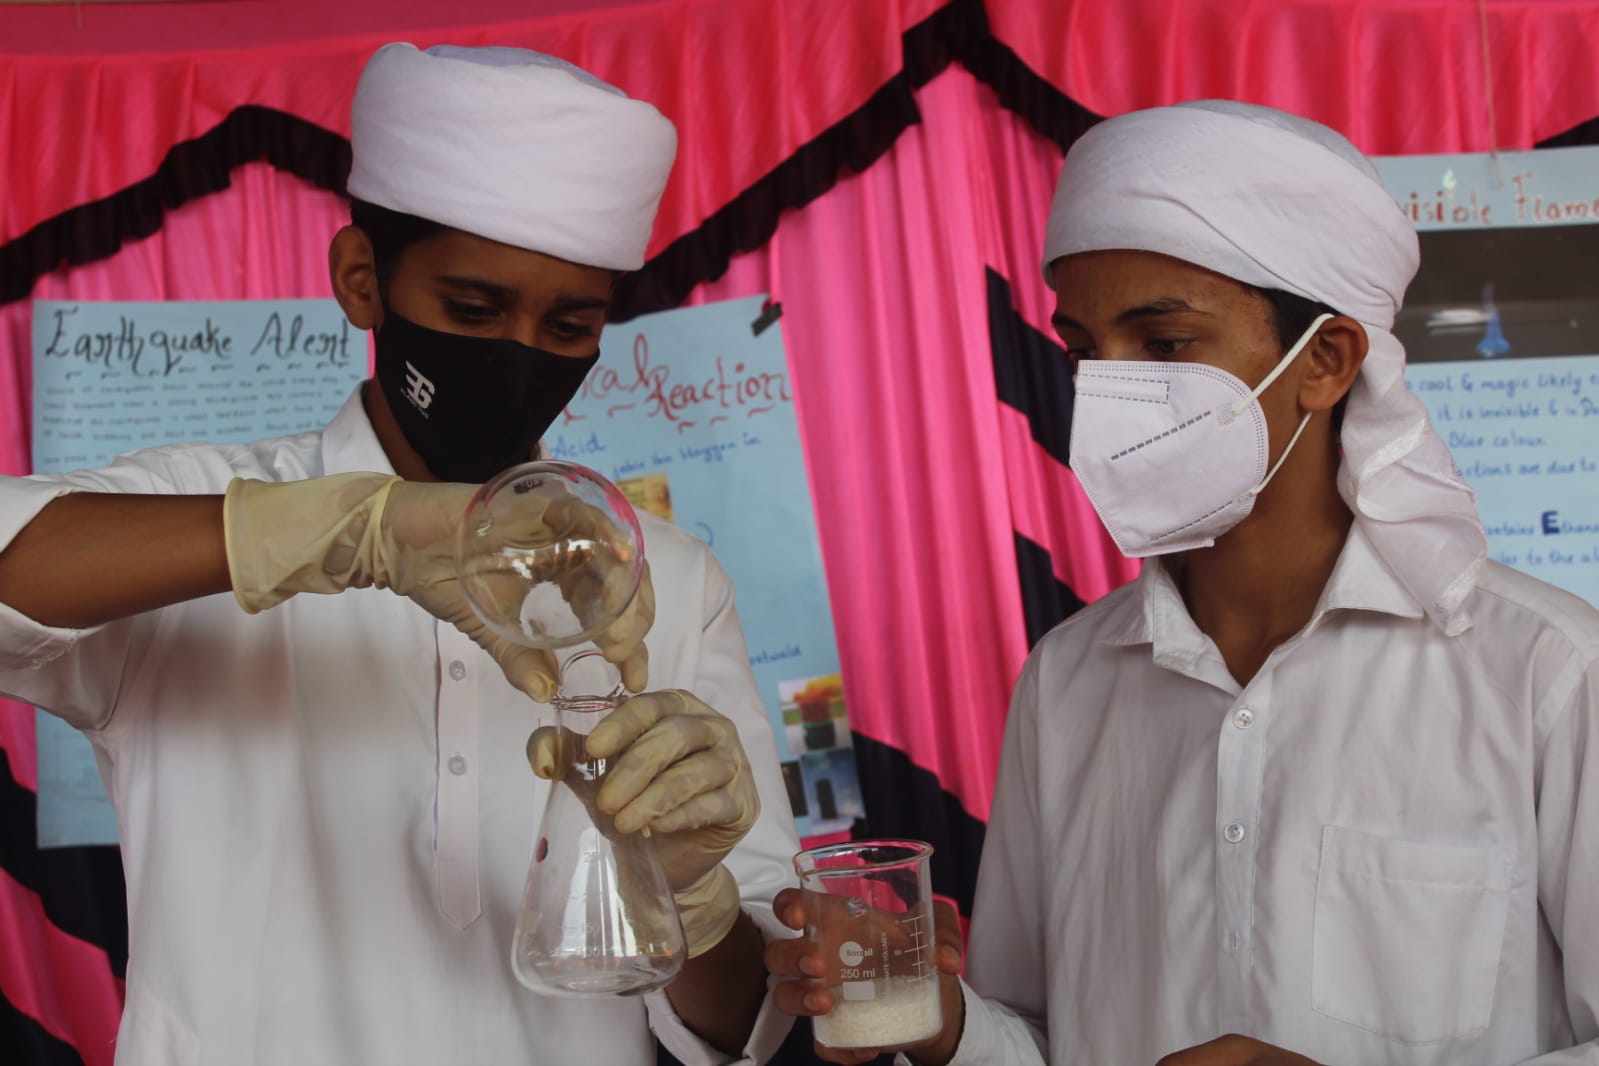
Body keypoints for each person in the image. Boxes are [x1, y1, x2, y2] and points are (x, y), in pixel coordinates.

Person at [0, 43, 801, 1064]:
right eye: (472, 310)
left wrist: (687, 893)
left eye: (569, 324)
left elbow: (742, 1020)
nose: (517, 356)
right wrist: (351, 532)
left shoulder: (663, 584)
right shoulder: (196, 520)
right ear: (360, 280)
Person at [767, 101, 1598, 1065]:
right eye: (1083, 351)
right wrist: (942, 1019)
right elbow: (1036, 1032)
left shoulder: (1543, 674)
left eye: (1164, 345)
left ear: (1324, 362)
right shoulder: (1068, 681)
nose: (1106, 393)